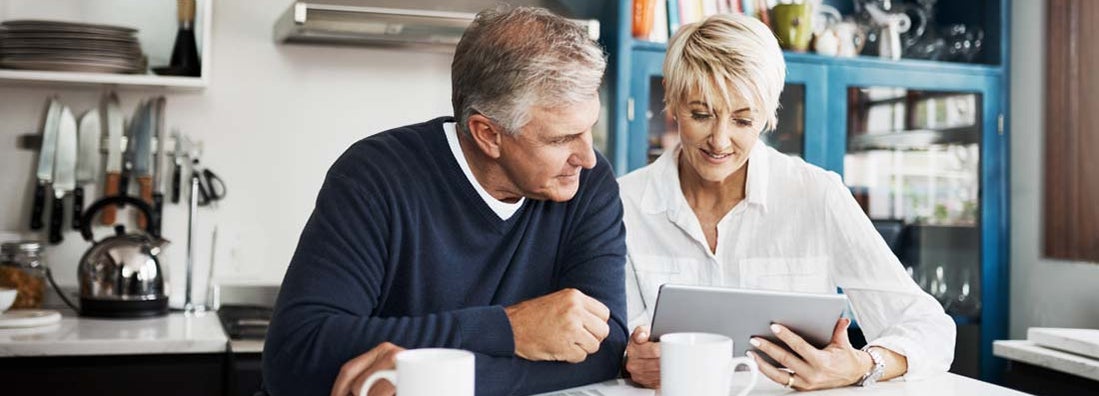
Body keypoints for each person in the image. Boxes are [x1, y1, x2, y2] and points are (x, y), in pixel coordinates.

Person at [262, 7, 628, 396]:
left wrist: (435, 378)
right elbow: (295, 356)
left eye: (590, 128)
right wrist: (509, 330)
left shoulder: (589, 184)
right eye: (561, 139)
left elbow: (605, 350)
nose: (587, 157)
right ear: (488, 134)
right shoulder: (374, 177)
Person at [618, 13, 956, 391]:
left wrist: (862, 364)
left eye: (743, 121)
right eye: (701, 114)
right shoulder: (623, 204)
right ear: (672, 99)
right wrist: (628, 361)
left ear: (767, 114)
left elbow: (930, 326)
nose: (720, 140)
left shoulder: (816, 194)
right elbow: (607, 344)